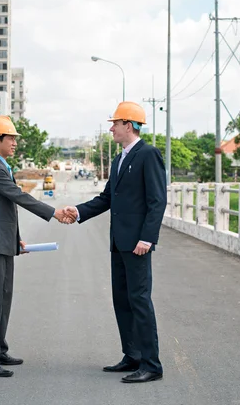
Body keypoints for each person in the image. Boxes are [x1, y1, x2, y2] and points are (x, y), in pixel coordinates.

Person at [64, 102, 166, 384]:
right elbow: (107, 198)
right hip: (118, 243)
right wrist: (79, 211)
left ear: (129, 125)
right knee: (122, 300)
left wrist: (147, 237)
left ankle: (151, 364)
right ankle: (131, 355)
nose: (111, 128)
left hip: (137, 244)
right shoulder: (119, 159)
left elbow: (157, 201)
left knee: (140, 301)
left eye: (115, 123)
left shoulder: (148, 154)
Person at [0, 115, 68, 378]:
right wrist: (53, 212)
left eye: (15, 138)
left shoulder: (1, 166)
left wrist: (16, 238)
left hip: (1, 242)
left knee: (2, 299)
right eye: (10, 138)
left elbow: (5, 208)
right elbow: (19, 196)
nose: (15, 143)